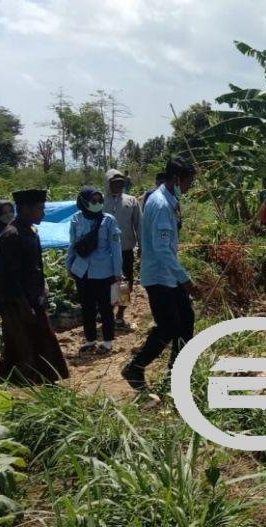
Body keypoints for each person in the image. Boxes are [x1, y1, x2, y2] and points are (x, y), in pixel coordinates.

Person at [122, 158, 197, 392]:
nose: (189, 187)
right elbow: (163, 249)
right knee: (168, 327)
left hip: (168, 275)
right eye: (188, 182)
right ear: (176, 179)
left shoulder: (167, 200)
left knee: (186, 321)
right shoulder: (161, 204)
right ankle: (135, 367)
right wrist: (186, 279)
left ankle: (177, 373)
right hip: (159, 276)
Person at [0, 189, 68, 383]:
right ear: (25, 209)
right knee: (22, 344)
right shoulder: (11, 236)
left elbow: (35, 266)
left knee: (41, 341)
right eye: (39, 209)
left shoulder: (30, 232)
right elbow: (10, 278)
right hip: (17, 302)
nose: (43, 213)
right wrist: (23, 306)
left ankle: (45, 382)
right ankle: (23, 385)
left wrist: (42, 286)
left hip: (33, 298)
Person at [67, 186, 123, 354]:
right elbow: (72, 245)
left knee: (106, 308)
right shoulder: (76, 220)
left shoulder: (109, 220)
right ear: (83, 202)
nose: (98, 204)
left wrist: (117, 273)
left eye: (100, 201)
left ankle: (107, 342)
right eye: (93, 201)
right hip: (82, 271)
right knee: (87, 308)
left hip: (104, 272)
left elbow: (116, 247)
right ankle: (90, 340)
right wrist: (69, 266)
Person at [104, 169, 142, 331]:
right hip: (105, 252)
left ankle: (120, 316)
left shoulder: (131, 201)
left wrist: (141, 246)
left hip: (125, 250)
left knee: (125, 284)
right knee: (107, 284)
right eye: (115, 183)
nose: (119, 186)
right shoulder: (100, 201)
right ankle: (107, 315)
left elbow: (139, 225)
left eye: (121, 183)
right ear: (108, 184)